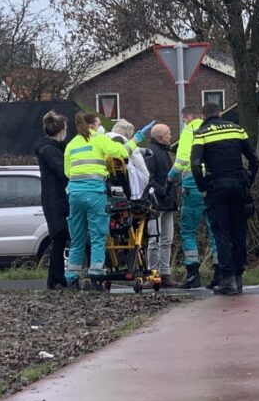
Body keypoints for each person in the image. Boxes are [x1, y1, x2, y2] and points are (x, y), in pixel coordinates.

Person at [63, 111, 155, 290]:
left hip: (74, 194)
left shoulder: (71, 144)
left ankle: (72, 277)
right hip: (95, 192)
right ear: (93, 126)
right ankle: (96, 275)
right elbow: (121, 152)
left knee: (77, 237)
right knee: (98, 235)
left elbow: (68, 172)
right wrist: (136, 138)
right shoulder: (99, 139)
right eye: (98, 124)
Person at [190, 102, 259, 295]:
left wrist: (202, 187)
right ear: (220, 113)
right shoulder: (237, 129)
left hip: (216, 188)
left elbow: (195, 165)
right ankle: (238, 276)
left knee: (222, 234)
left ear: (204, 116)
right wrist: (249, 180)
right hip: (239, 187)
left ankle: (228, 280)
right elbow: (254, 159)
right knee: (239, 232)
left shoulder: (202, 133)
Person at [169, 107, 217, 289]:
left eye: (183, 119)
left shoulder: (189, 131)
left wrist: (170, 177)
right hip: (212, 183)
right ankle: (219, 273)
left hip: (192, 184)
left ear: (188, 117)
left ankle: (193, 274)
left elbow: (182, 159)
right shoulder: (210, 128)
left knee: (189, 230)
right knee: (214, 229)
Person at [35, 111, 69, 290]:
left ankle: (55, 279)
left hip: (54, 198)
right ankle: (57, 278)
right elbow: (64, 173)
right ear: (61, 130)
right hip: (56, 199)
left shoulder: (48, 149)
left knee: (60, 238)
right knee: (60, 237)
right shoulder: (50, 151)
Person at [144, 123, 178, 288]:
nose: (170, 136)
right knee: (155, 240)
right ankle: (154, 274)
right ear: (161, 137)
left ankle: (164, 273)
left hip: (166, 202)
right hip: (156, 204)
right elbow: (148, 178)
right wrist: (162, 192)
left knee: (166, 240)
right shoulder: (152, 154)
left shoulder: (163, 152)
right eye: (168, 134)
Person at [108, 119, 151, 200]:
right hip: (121, 181)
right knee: (121, 204)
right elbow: (139, 164)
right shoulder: (122, 140)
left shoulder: (104, 139)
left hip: (105, 182)